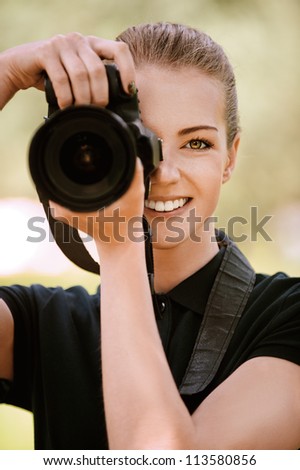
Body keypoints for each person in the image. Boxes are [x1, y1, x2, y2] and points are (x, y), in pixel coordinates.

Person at [0, 22, 300, 450]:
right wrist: (6, 73)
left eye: (196, 143)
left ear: (230, 158)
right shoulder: (43, 323)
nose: (166, 173)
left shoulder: (286, 317)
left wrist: (120, 242)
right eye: (142, 144)